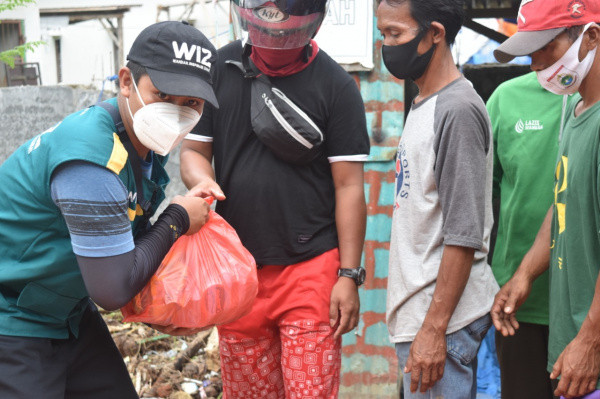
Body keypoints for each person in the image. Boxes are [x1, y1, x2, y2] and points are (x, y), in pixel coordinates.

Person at [0, 21, 218, 399]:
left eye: (191, 104)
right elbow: (112, 289)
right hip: (14, 317)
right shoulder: (91, 159)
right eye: (163, 94)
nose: (175, 113)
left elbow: (130, 246)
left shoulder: (139, 148)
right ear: (127, 82)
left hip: (64, 309)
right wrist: (178, 218)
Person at [180, 0, 370, 397]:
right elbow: (195, 152)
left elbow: (349, 186)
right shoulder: (221, 69)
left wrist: (348, 275)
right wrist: (202, 181)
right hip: (238, 272)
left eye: (286, 35)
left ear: (311, 29)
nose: (273, 41)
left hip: (311, 271)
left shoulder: (335, 85)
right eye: (265, 31)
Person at [377, 0, 500, 397]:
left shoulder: (457, 110)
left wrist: (433, 330)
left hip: (441, 324)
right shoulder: (424, 102)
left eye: (395, 34)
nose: (387, 45)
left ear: (435, 33)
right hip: (425, 317)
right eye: (383, 34)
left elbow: (463, 234)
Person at [491, 0, 600, 398]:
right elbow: (561, 206)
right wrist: (523, 275)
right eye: (529, 52)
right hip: (564, 326)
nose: (536, 64)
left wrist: (590, 341)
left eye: (546, 48)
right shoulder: (574, 110)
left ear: (591, 36)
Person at [487, 71, 563, 399]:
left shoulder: (589, 103)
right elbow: (478, 195)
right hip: (519, 300)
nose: (538, 59)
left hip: (586, 305)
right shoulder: (506, 98)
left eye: (547, 45)